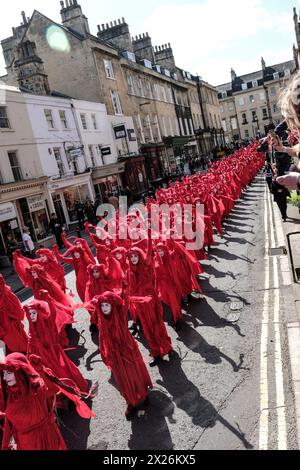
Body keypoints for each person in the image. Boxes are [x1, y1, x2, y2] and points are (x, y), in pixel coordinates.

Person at [89, 292, 153, 420]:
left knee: (134, 373)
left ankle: (143, 394)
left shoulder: (120, 314)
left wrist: (125, 289)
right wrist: (104, 353)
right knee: (122, 378)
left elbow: (124, 303)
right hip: (114, 354)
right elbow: (102, 337)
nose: (104, 308)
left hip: (128, 349)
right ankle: (130, 401)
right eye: (102, 305)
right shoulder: (101, 319)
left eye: (107, 305)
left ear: (113, 305)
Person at [0, 353, 68, 450]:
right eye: (4, 373)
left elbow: (50, 392)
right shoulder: (9, 394)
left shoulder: (36, 389)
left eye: (9, 373)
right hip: (26, 443)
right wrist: (5, 445)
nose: (4, 378)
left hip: (46, 438)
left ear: (21, 371)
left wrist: (40, 371)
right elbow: (9, 421)